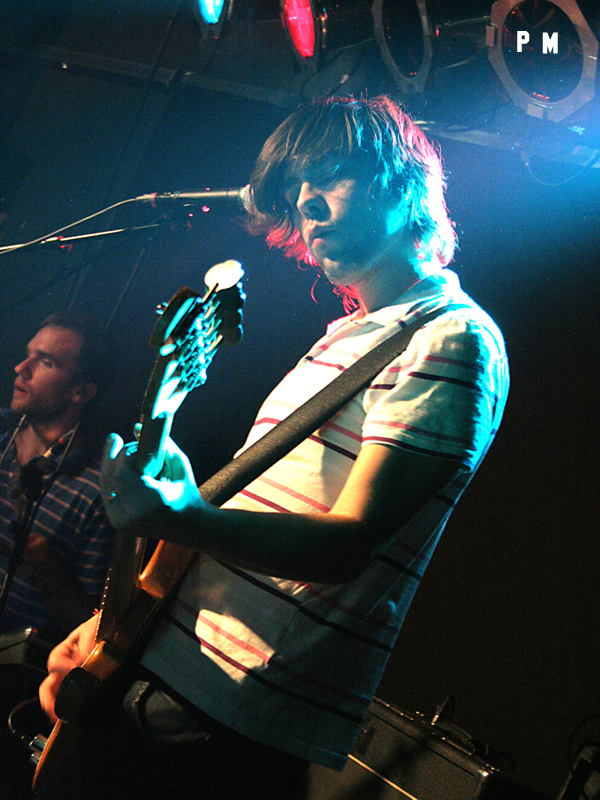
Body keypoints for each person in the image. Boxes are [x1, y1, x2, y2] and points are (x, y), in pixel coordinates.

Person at [38, 96, 509, 800]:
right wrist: (115, 623)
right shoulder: (345, 337)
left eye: (332, 174)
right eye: (297, 187)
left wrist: (185, 517)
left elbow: (345, 545)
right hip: (165, 668)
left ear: (405, 183)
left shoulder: (450, 338)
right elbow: (245, 525)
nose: (308, 202)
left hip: (225, 714)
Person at [0, 313, 117, 643]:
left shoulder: (96, 492)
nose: (21, 368)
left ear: (81, 392)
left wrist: (47, 567)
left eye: (45, 362)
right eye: (28, 354)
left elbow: (88, 629)